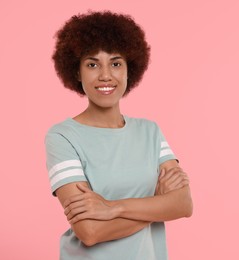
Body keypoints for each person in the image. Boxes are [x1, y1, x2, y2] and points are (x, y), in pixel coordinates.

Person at [45, 11, 193, 260]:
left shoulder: (151, 132)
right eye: (92, 64)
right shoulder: (62, 137)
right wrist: (157, 203)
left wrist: (112, 208)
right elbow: (90, 231)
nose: (105, 75)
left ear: (129, 69)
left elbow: (184, 205)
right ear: (77, 72)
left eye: (115, 63)